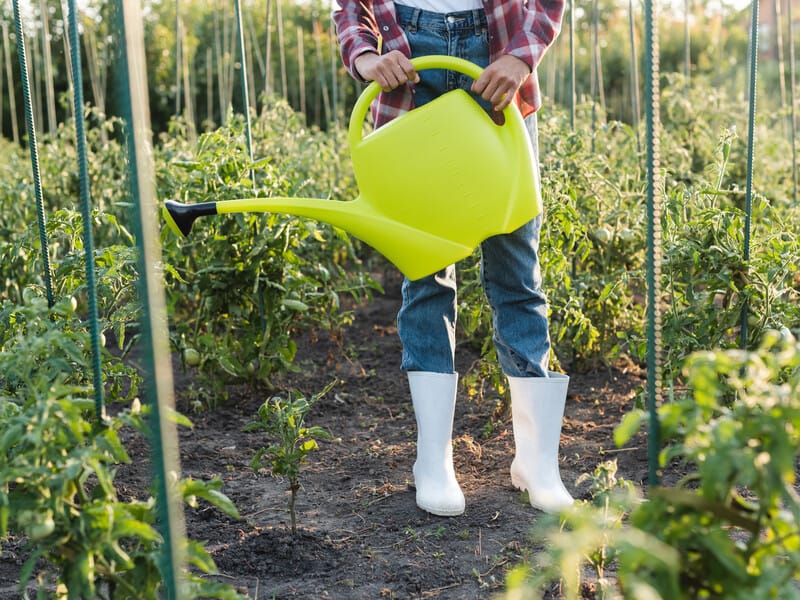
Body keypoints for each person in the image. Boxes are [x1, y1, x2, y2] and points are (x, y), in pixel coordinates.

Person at [333, 0, 571, 516]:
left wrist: (522, 57)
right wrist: (365, 56)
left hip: (496, 62)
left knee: (517, 273)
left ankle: (537, 462)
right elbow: (350, 6)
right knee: (427, 273)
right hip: (407, 66)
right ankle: (433, 461)